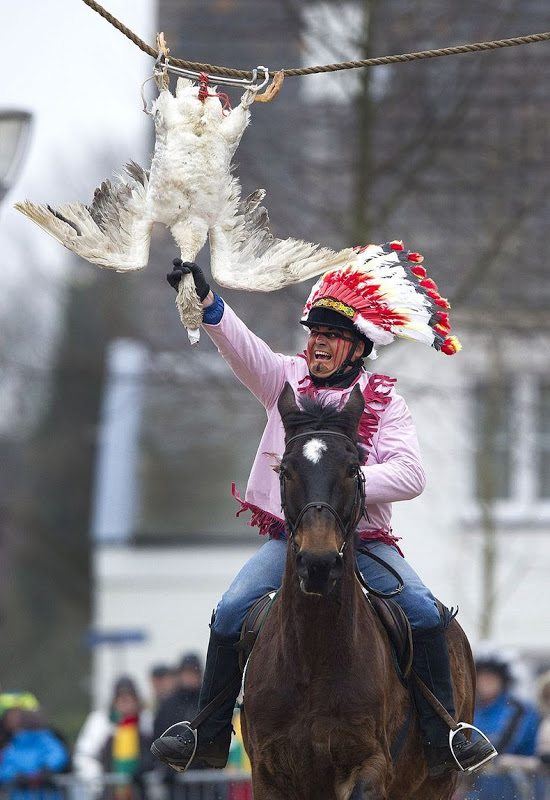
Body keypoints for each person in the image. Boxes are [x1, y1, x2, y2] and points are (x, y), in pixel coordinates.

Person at [151, 241, 497, 778]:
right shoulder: (283, 380)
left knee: (427, 614)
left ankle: (446, 735)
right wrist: (209, 304)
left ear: (358, 348)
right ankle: (208, 733)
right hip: (289, 541)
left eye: (332, 337)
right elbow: (245, 348)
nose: (318, 345)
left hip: (366, 543)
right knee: (228, 614)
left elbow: (411, 475)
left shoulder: (388, 403)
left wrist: (345, 483)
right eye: (315, 334)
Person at [462, 650, 541, 800]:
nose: (486, 682)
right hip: (478, 792)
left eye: (491, 676)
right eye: (482, 676)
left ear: (503, 679)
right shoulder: (471, 709)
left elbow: (502, 746)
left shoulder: (520, 708)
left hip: (517, 791)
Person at [73, 676, 153, 798]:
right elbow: (85, 755)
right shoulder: (100, 723)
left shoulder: (146, 723)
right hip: (109, 792)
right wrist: (100, 783)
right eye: (121, 698)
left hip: (140, 792)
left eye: (129, 698)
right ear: (114, 701)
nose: (125, 703)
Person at [0, 696, 70, 793]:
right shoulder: (12, 744)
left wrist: (47, 770)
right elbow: (5, 768)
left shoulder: (46, 739)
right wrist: (16, 777)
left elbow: (58, 756)